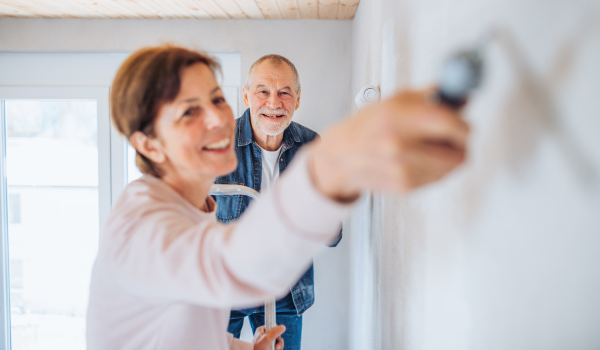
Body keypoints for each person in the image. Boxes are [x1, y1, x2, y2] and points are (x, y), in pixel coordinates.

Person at [86, 45, 469, 350]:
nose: (218, 120)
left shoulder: (192, 208)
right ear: (149, 144)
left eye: (217, 100)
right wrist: (333, 163)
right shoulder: (138, 225)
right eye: (189, 112)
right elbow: (231, 267)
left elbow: (180, 326)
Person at [215, 54, 341, 349]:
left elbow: (333, 235)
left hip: (285, 291)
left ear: (297, 99)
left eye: (284, 92)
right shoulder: (217, 144)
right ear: (246, 96)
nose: (274, 103)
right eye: (263, 91)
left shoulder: (312, 146)